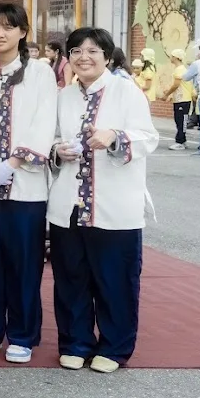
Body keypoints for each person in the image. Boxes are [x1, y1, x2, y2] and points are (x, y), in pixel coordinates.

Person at [49, 27, 158, 372]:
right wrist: (57, 150)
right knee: (71, 277)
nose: (84, 57)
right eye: (77, 51)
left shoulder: (126, 91)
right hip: (69, 204)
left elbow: (148, 138)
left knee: (115, 279)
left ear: (107, 56)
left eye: (93, 51)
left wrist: (115, 137)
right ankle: (76, 341)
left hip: (114, 206)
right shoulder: (64, 96)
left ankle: (114, 347)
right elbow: (50, 138)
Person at [0, 4, 58, 364]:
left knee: (23, 260)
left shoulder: (41, 74)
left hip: (25, 187)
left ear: (22, 32)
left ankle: (21, 333)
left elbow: (43, 121)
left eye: (8, 27)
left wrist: (14, 163)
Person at [159, 48, 195, 151]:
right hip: (180, 99)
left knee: (181, 121)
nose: (171, 57)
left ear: (176, 57)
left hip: (183, 99)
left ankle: (180, 142)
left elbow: (176, 85)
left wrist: (167, 94)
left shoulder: (180, 69)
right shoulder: (180, 69)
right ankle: (182, 140)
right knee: (179, 120)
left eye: (172, 56)